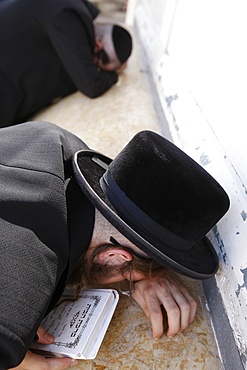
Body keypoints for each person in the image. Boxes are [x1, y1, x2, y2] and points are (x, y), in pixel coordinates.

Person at [0, 121, 230, 370]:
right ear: (114, 256)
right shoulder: (29, 273)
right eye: (128, 274)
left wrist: (142, 271)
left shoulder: (55, 140)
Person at [0, 0, 132, 127]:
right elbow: (91, 85)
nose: (94, 67)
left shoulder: (77, 8)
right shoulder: (67, 17)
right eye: (98, 66)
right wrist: (114, 74)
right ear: (98, 45)